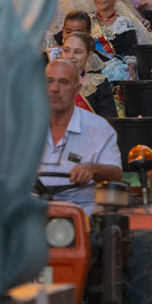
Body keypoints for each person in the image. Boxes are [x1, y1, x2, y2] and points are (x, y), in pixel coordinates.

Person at [40, 58, 123, 213]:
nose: (54, 88)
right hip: (32, 212)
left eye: (63, 82)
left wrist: (92, 169)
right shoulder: (23, 128)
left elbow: (116, 175)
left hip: (82, 212)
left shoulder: (99, 128)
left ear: (77, 88)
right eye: (49, 81)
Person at [56, 32, 117, 119]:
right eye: (66, 50)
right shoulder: (49, 83)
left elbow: (108, 123)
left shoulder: (99, 84)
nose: (70, 56)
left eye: (77, 52)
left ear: (89, 56)